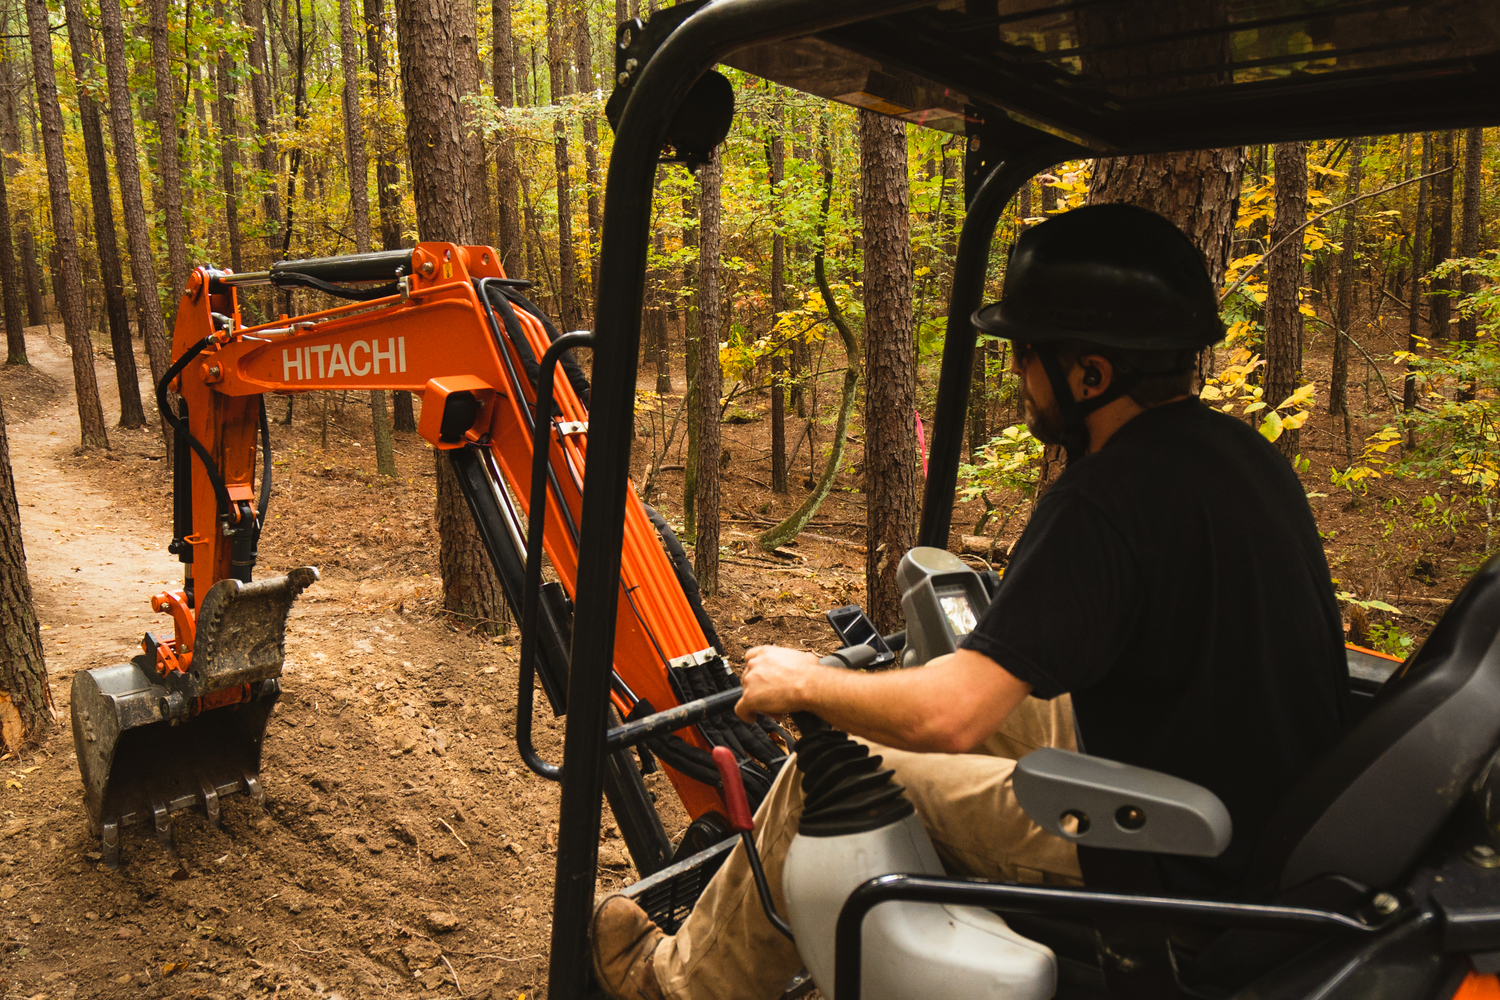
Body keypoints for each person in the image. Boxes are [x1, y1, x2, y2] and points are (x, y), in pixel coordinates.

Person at [591, 203, 1349, 1000]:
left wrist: (805, 682)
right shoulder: (1240, 457)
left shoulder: (1104, 498)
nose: (1019, 377)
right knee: (973, 694)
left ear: (1090, 374)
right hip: (1252, 815)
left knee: (823, 775)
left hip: (1171, 855)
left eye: (1026, 355)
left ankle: (671, 985)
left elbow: (950, 717)